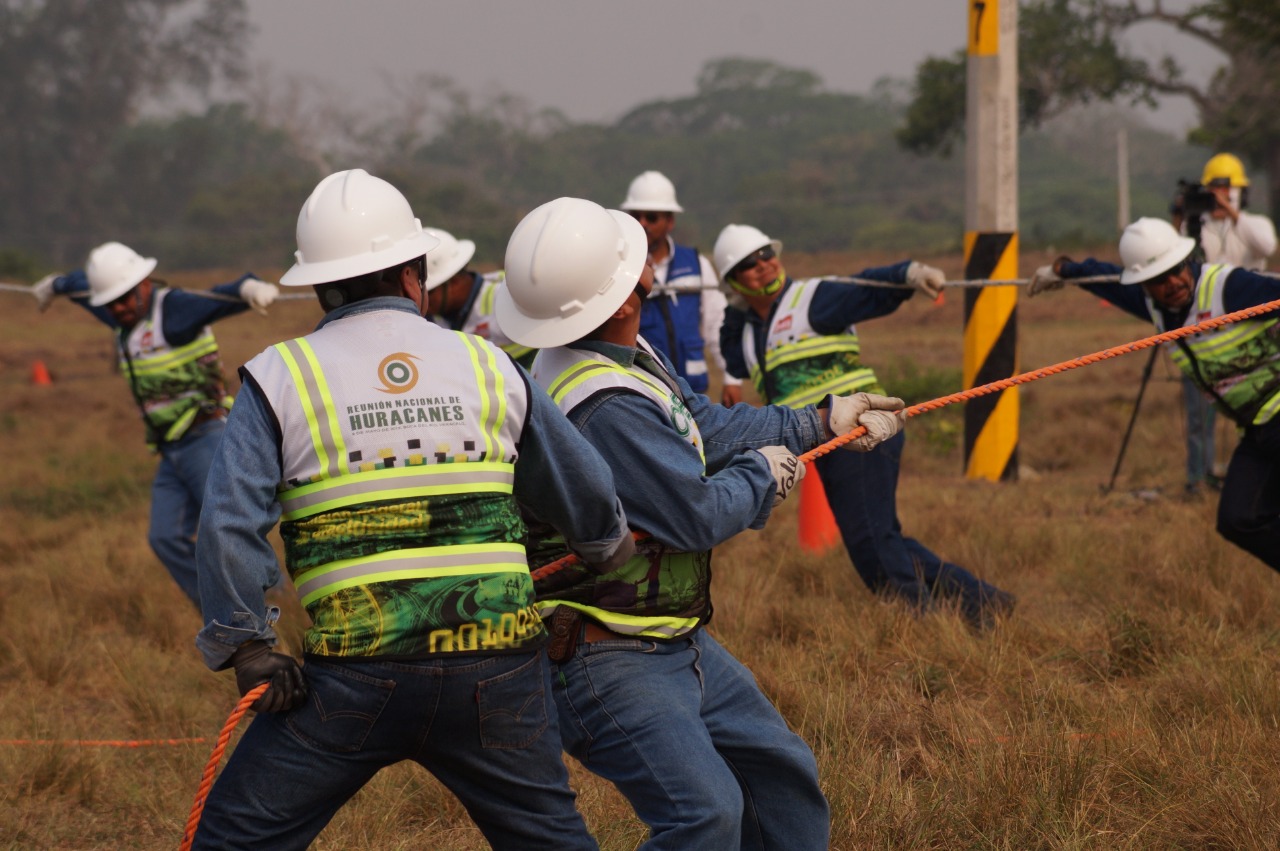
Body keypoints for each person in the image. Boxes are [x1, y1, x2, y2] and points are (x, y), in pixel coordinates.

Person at [190, 171, 637, 850]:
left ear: (317, 284)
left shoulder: (279, 377)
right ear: (417, 273)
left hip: (352, 676)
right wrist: (608, 549)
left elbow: (226, 522)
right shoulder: (489, 363)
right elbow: (585, 488)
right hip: (497, 668)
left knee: (233, 838)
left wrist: (248, 646)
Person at [494, 196, 907, 850]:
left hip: (667, 633)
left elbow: (706, 425)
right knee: (705, 817)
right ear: (629, 294)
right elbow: (696, 514)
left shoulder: (623, 355)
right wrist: (762, 475)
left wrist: (818, 421)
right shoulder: (601, 403)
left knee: (781, 775)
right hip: (609, 654)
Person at [715, 223, 1016, 628]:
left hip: (864, 432)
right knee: (882, 538)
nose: (764, 265)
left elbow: (867, 289)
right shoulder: (748, 330)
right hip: (825, 437)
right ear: (733, 281)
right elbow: (732, 353)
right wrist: (735, 331)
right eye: (748, 265)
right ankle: (984, 602)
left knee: (870, 545)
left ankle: (921, 624)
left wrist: (906, 275)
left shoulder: (812, 299)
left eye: (767, 253)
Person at [31, 244, 278, 608]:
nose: (117, 309)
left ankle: (277, 605)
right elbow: (83, 288)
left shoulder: (175, 310)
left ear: (144, 284)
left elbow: (221, 297)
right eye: (110, 302)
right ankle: (224, 614)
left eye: (124, 298)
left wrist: (250, 289)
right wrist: (58, 284)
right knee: (164, 538)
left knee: (227, 532)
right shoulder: (117, 312)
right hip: (170, 449)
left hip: (206, 437)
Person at [1029, 216, 1280, 573]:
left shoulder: (1230, 287)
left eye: (1177, 269)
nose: (1174, 282)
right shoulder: (1151, 304)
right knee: (1239, 518)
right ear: (1143, 284)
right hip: (1257, 429)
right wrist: (1063, 269)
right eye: (1159, 279)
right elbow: (1107, 280)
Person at [1171, 153, 1278, 494]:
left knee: (1257, 406)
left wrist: (1232, 214)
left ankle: (1252, 476)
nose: (1218, 195)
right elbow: (1178, 261)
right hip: (1208, 334)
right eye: (1212, 189)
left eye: (1225, 188)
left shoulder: (1254, 223)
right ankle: (1199, 478)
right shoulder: (1197, 228)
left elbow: (1267, 246)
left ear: (1239, 192)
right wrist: (1182, 217)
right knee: (1199, 412)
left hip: (1254, 331)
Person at [619, 170, 741, 401]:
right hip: (645, 393)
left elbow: (717, 323)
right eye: (636, 216)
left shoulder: (697, 264)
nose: (643, 224)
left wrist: (731, 378)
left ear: (670, 221)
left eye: (652, 217)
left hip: (694, 393)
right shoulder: (621, 269)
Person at [420, 226, 536, 368]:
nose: (421, 300)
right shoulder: (431, 320)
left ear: (454, 281)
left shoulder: (507, 298)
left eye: (429, 292)